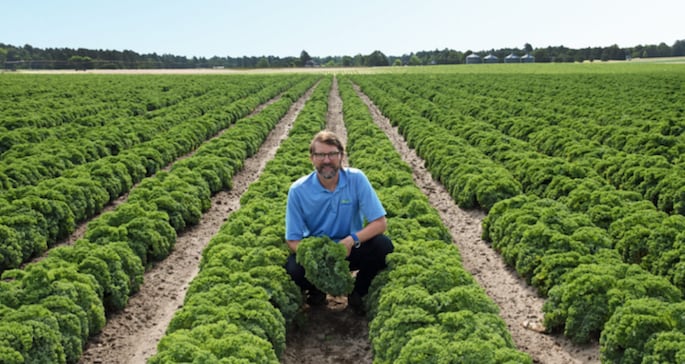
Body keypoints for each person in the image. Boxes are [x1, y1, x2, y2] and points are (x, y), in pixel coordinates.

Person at [285, 130, 394, 314]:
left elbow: (380, 223)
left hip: (350, 249)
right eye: (320, 155)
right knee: (293, 269)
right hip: (320, 255)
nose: (326, 160)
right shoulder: (298, 190)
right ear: (312, 158)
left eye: (332, 154)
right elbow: (292, 239)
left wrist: (351, 239)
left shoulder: (356, 179)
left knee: (384, 247)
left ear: (341, 156)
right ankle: (316, 290)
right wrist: (316, 258)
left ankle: (359, 291)